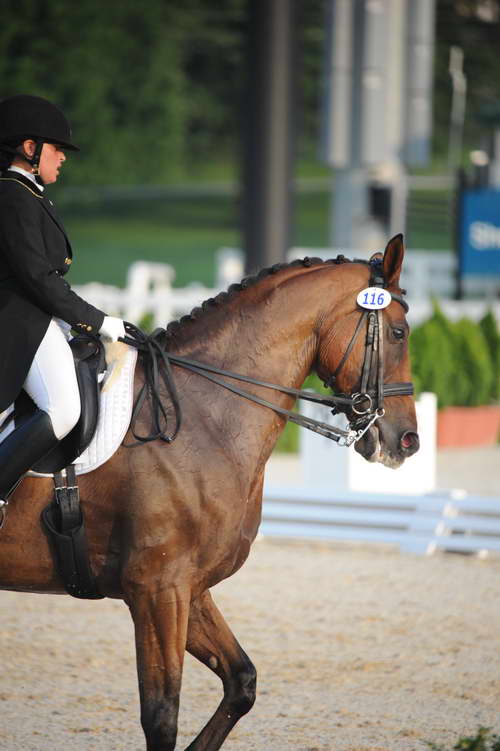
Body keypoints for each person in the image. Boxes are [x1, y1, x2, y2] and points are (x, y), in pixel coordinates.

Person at [0, 94, 126, 505]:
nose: (63, 157)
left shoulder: (28, 193)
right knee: (63, 408)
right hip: (20, 321)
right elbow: (38, 277)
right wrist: (98, 321)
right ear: (29, 148)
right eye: (56, 148)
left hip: (36, 316)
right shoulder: (12, 195)